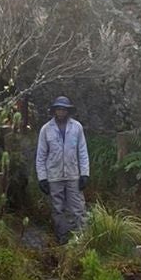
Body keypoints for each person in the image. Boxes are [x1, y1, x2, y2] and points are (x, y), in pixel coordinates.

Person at [36, 95, 90, 244]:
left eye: (64, 109)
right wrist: (42, 178)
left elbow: (82, 152)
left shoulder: (77, 127)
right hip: (54, 176)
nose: (61, 112)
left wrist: (85, 174)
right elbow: (40, 156)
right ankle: (63, 240)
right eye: (58, 109)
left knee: (78, 208)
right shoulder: (46, 130)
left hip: (73, 174)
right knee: (58, 210)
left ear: (68, 111)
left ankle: (82, 240)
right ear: (54, 111)